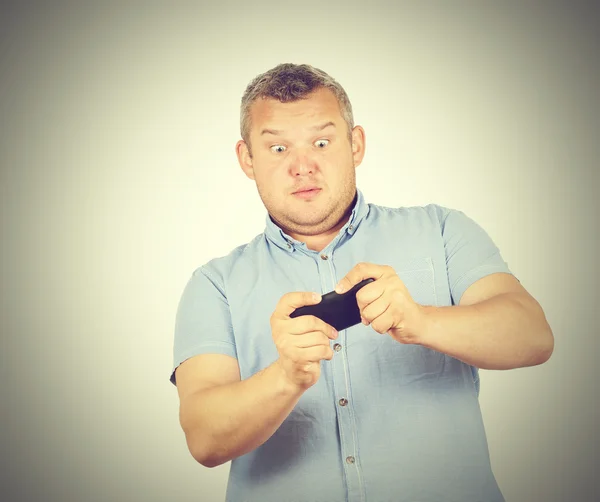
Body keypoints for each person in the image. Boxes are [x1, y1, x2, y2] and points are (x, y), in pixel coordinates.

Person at [170, 63, 554, 502]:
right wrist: (285, 376)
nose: (302, 166)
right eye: (277, 148)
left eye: (321, 141)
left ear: (355, 144)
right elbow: (204, 439)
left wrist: (422, 321)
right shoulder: (213, 285)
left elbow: (533, 335)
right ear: (247, 159)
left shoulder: (443, 230)